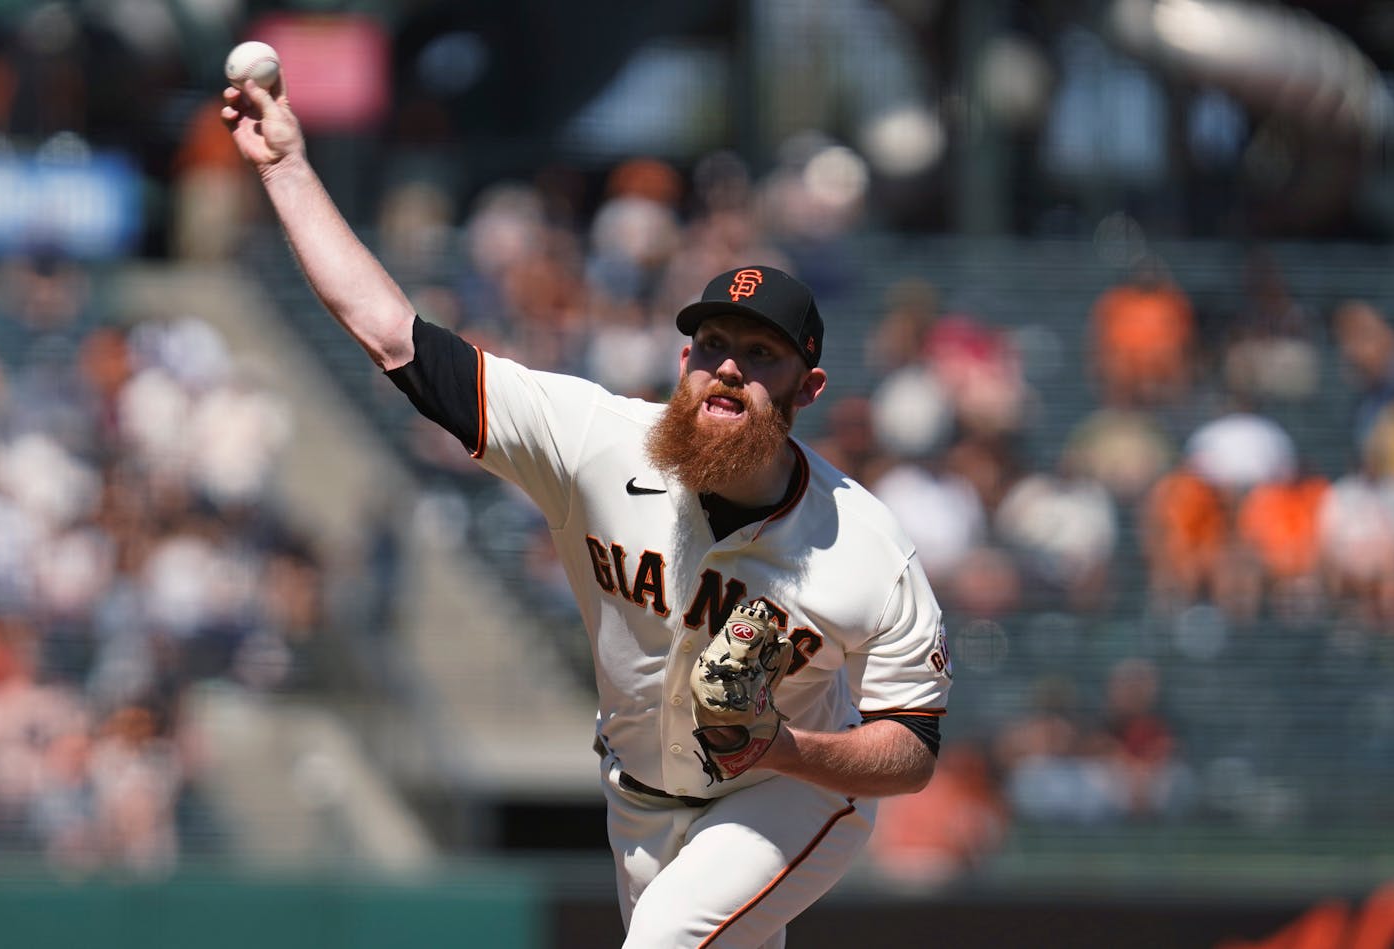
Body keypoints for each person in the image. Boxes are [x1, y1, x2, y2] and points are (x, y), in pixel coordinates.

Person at [222, 74, 952, 949]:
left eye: (760, 355)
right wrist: (290, 168)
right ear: (683, 357)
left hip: (791, 791)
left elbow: (910, 748)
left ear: (808, 387)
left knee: (665, 942)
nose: (728, 367)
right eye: (714, 343)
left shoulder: (864, 546)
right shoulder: (596, 443)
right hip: (638, 794)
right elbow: (393, 335)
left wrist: (784, 748)